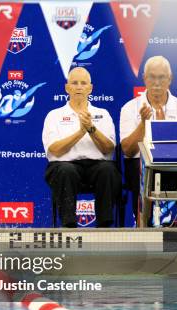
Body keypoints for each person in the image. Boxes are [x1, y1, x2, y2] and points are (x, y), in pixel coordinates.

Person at [43, 67, 121, 228]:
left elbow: (109, 149)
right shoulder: (54, 115)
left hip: (97, 167)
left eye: (83, 83)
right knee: (66, 170)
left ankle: (104, 225)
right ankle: (69, 225)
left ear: (90, 88)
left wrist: (91, 128)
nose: (79, 87)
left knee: (108, 169)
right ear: (67, 88)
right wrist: (80, 132)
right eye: (74, 83)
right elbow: (54, 150)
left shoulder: (103, 114)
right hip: (63, 168)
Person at [120, 56, 177, 224]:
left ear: (170, 79)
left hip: (175, 167)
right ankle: (144, 223)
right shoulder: (130, 108)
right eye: (152, 77)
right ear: (144, 78)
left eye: (161, 77)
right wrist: (143, 124)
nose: (156, 82)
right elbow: (127, 150)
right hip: (140, 166)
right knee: (139, 171)